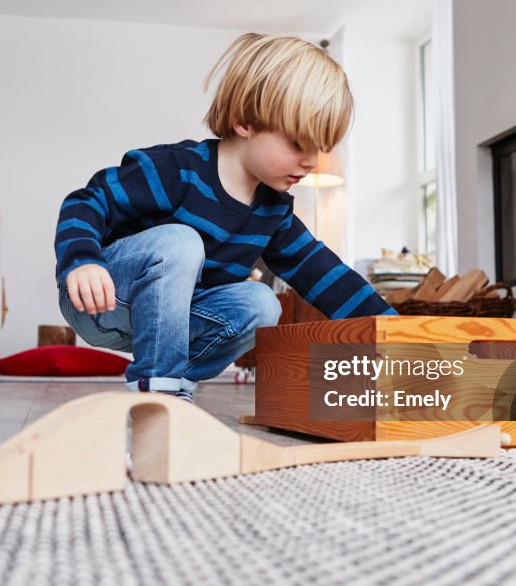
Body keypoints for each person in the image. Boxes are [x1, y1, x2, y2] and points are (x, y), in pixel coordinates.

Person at [54, 33, 397, 403]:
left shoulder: (274, 209)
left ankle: (176, 386)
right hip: (102, 301)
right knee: (181, 242)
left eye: (319, 148)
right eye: (299, 144)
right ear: (244, 122)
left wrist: (394, 328)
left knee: (262, 303)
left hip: (174, 325)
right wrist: (82, 261)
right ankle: (155, 388)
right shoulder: (175, 169)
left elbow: (324, 274)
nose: (311, 161)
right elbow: (89, 201)